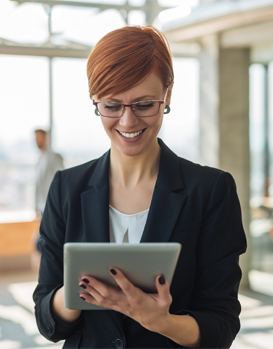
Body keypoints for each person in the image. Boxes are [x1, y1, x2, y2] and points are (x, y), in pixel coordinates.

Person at [33, 26, 247, 349]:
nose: (128, 122)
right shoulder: (67, 188)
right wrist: (72, 294)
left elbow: (222, 323)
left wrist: (165, 323)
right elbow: (46, 319)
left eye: (145, 104)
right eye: (112, 105)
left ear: (168, 94)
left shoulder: (211, 192)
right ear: (95, 101)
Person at [34, 129, 64, 216]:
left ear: (46, 138)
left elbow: (61, 180)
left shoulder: (55, 157)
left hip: (52, 205)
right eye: (36, 138)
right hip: (41, 206)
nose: (38, 141)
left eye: (40, 138)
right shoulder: (39, 159)